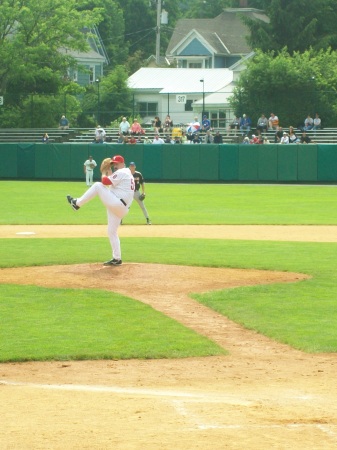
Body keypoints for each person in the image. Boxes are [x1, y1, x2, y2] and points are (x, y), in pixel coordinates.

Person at [66, 155, 134, 266]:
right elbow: (112, 183)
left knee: (97, 185)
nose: (115, 165)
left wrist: (103, 172)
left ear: (122, 163)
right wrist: (108, 171)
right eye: (113, 164)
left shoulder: (122, 172)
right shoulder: (126, 173)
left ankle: (77, 203)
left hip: (118, 204)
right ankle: (117, 258)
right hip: (120, 207)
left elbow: (105, 182)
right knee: (112, 232)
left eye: (116, 163)